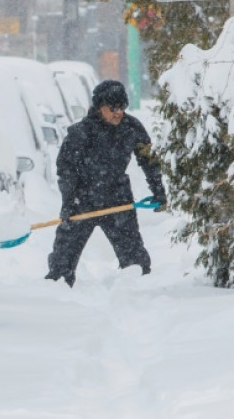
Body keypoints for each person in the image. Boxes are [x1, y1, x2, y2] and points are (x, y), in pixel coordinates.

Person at [45, 80, 166, 287]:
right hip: (82, 201)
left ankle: (139, 298)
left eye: (122, 107)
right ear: (99, 107)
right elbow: (66, 171)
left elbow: (149, 161)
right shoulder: (80, 133)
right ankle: (57, 296)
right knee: (62, 262)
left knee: (135, 260)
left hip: (118, 199)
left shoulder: (131, 127)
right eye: (113, 108)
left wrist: (158, 191)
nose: (118, 113)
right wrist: (68, 202)